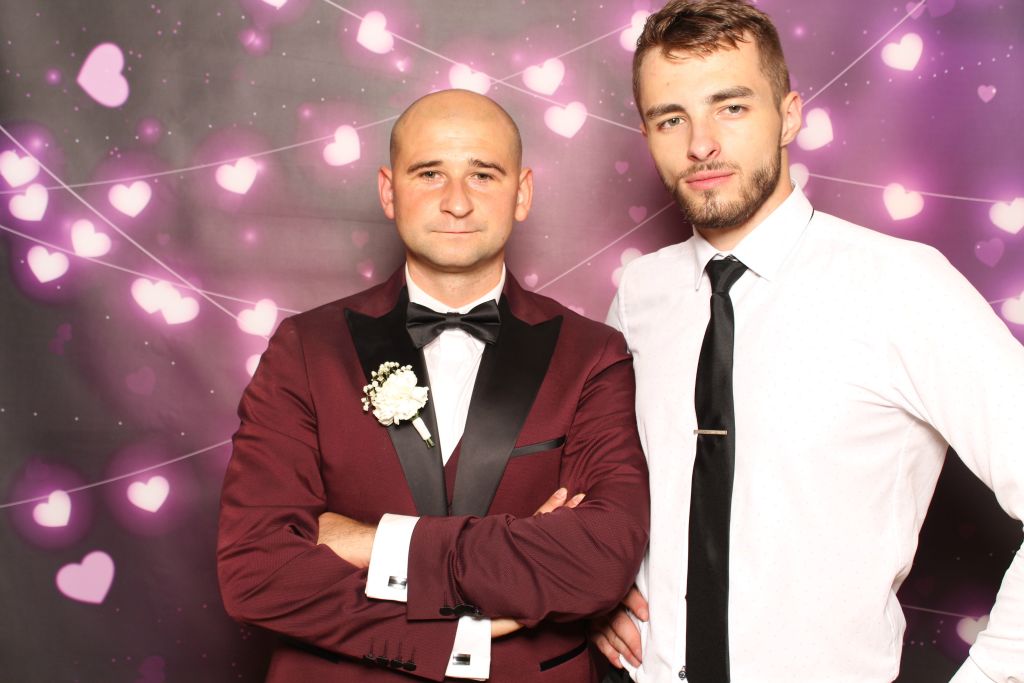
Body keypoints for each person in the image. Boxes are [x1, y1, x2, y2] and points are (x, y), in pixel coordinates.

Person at [591, 1, 1024, 681]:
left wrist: (992, 674)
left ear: (789, 115)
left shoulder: (902, 285)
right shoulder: (639, 295)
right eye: (671, 119)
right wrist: (591, 585)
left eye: (732, 107)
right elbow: (613, 483)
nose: (700, 144)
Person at [217, 89, 649, 682]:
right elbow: (256, 571)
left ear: (522, 193)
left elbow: (600, 560)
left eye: (483, 175)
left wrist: (378, 544)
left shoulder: (593, 354)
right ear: (388, 191)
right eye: (429, 174)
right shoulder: (304, 348)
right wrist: (463, 626)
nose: (457, 202)